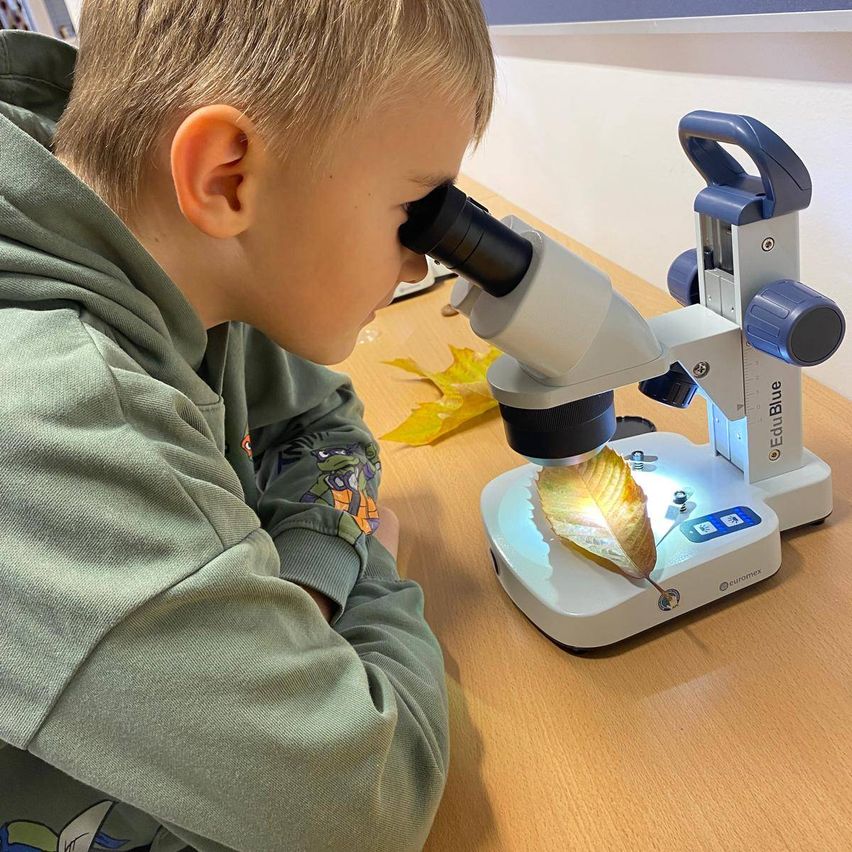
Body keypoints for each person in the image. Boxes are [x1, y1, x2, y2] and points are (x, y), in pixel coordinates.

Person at [0, 1, 494, 849]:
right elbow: (367, 806)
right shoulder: (57, 417)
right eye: (413, 210)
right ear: (227, 176)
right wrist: (369, 551)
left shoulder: (173, 273)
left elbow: (325, 422)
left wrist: (307, 574)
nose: (422, 260)